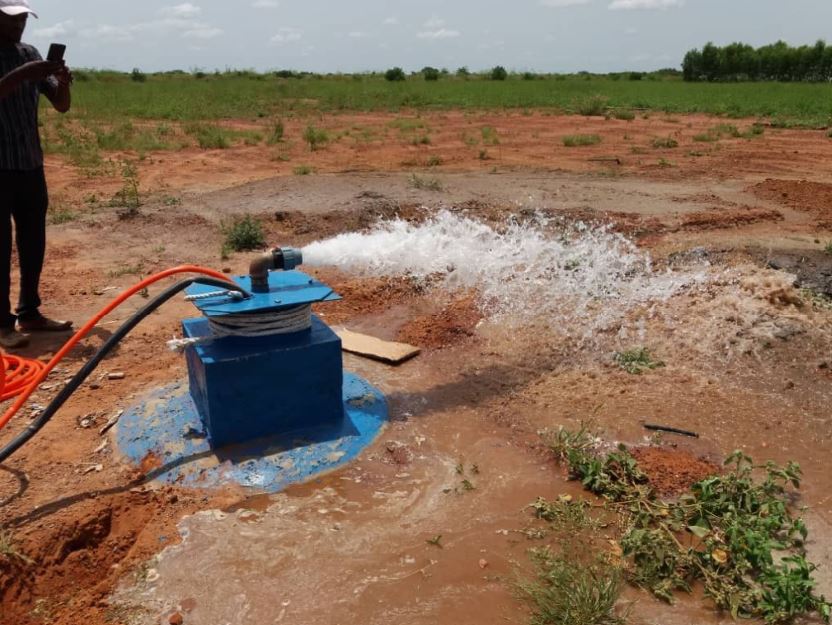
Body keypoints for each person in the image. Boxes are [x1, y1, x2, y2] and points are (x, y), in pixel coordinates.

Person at [0, 0, 73, 349]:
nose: (19, 27)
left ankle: (29, 312)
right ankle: (2, 325)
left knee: (33, 243)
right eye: (10, 21)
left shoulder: (29, 52)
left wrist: (61, 80)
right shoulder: (25, 64)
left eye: (23, 20)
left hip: (29, 162)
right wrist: (22, 75)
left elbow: (60, 104)